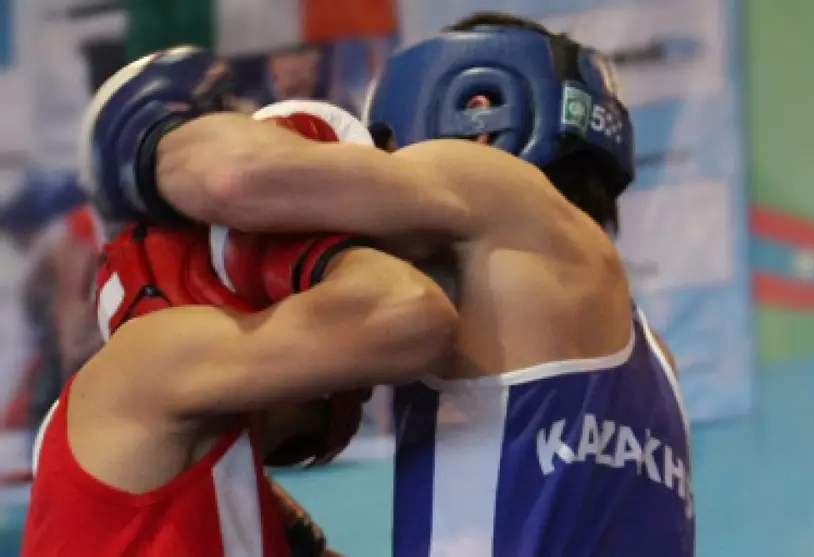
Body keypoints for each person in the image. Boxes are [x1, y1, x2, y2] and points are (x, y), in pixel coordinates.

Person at [83, 13, 694, 556]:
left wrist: (154, 131)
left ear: (481, 117)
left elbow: (237, 177)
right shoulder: (653, 365)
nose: (381, 163)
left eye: (389, 148)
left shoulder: (494, 185)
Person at [23, 53, 459, 556]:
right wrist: (300, 251)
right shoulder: (155, 358)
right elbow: (409, 314)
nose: (355, 385)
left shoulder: (214, 466)